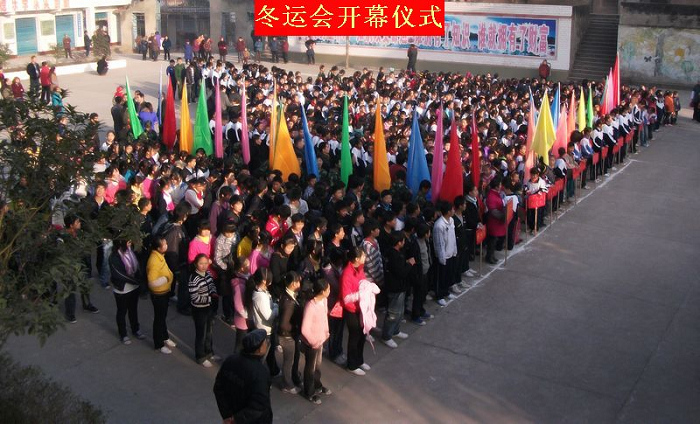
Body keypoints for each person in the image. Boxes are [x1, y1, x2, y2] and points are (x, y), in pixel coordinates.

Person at [213, 329, 273, 424]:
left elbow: (218, 388)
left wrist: (227, 416)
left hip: (232, 414)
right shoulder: (260, 373)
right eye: (265, 342)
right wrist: (235, 420)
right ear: (259, 349)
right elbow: (258, 406)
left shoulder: (230, 360)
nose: (267, 344)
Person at [340, 246, 370, 375]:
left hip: (361, 308)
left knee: (362, 335)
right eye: (363, 255)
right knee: (354, 336)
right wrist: (360, 295)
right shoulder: (347, 273)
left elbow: (363, 282)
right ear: (357, 259)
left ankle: (359, 360)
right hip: (351, 310)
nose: (365, 257)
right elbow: (346, 297)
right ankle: (352, 365)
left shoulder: (360, 269)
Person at [109, 239, 145, 345]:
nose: (130, 243)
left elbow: (137, 266)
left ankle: (135, 329)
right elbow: (119, 274)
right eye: (128, 242)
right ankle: (123, 334)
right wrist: (136, 281)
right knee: (122, 311)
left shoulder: (130, 251)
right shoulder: (114, 257)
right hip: (122, 289)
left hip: (134, 287)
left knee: (133, 310)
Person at [301, 278, 331, 404]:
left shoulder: (324, 301)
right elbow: (304, 329)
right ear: (323, 291)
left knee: (317, 365)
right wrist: (314, 342)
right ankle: (309, 392)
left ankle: (317, 385)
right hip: (312, 343)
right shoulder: (310, 306)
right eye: (328, 289)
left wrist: (325, 333)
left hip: (320, 339)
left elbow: (324, 317)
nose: (329, 291)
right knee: (310, 368)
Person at [380, 231, 412, 348]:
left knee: (400, 311)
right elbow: (401, 272)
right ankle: (386, 336)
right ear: (399, 243)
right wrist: (410, 264)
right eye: (403, 240)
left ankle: (395, 330)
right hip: (395, 287)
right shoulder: (393, 255)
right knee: (393, 313)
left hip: (400, 287)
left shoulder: (395, 253)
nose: (404, 242)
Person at [147, 236, 177, 354]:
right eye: (164, 244)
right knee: (159, 319)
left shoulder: (159, 256)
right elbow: (152, 282)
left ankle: (165, 337)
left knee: (162, 317)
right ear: (158, 248)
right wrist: (166, 278)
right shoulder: (154, 261)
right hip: (158, 294)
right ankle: (158, 344)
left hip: (164, 292)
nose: (166, 245)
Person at [247, 267, 280, 376]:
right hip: (264, 330)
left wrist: (274, 305)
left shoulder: (262, 292)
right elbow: (268, 316)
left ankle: (274, 371)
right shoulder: (260, 296)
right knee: (261, 357)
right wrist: (277, 308)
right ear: (264, 281)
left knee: (269, 354)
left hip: (266, 329)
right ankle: (255, 377)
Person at [189, 253, 219, 367]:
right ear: (196, 264)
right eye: (201, 263)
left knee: (209, 331)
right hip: (199, 309)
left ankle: (209, 352)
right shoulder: (193, 278)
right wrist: (210, 298)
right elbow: (194, 297)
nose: (204, 266)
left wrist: (213, 293)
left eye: (206, 263)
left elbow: (212, 285)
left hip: (208, 307)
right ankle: (200, 356)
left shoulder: (208, 274)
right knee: (200, 333)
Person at [277, 271, 303, 394]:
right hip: (288, 336)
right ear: (293, 284)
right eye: (298, 282)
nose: (299, 284)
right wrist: (294, 328)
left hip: (290, 335)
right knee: (289, 361)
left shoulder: (287, 295)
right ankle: (287, 384)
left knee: (292, 358)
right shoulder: (289, 302)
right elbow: (284, 324)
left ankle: (292, 377)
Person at [433, 201, 458, 306]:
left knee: (448, 275)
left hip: (451, 253)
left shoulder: (451, 220)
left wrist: (454, 250)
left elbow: (453, 237)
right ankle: (439, 295)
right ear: (448, 212)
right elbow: (439, 243)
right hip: (443, 256)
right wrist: (442, 258)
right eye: (452, 209)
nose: (454, 210)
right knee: (441, 277)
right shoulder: (439, 225)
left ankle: (446, 292)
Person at [485, 177, 506, 264]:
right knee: (492, 240)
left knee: (494, 240)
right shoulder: (491, 196)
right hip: (494, 222)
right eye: (500, 185)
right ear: (496, 186)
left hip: (497, 221)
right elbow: (493, 211)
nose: (501, 186)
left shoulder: (496, 194)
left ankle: (492, 255)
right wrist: (503, 216)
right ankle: (489, 256)